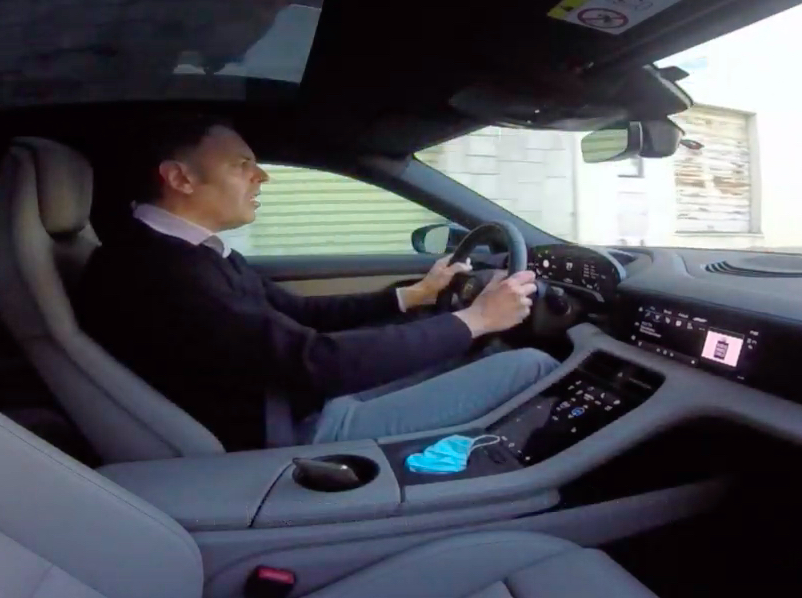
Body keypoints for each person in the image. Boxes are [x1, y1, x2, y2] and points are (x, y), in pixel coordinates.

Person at [75, 119, 558, 451]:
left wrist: (414, 296)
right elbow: (317, 362)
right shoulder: (158, 271)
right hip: (290, 433)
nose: (261, 176)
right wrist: (476, 318)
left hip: (292, 402)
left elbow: (299, 315)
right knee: (529, 365)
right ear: (180, 178)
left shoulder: (187, 252)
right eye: (241, 165)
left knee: (473, 352)